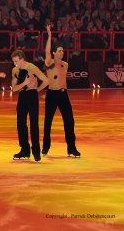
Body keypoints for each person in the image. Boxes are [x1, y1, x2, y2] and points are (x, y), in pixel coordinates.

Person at [42, 24, 81, 157]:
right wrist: (49, 35)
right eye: (59, 51)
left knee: (69, 121)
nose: (62, 52)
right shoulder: (50, 62)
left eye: (62, 50)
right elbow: (46, 52)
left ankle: (71, 148)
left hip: (64, 95)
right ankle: (45, 147)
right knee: (48, 122)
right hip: (52, 94)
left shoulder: (66, 64)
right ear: (54, 53)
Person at [11, 49, 49, 162]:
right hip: (22, 96)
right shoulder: (15, 70)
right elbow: (13, 89)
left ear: (22, 59)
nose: (15, 64)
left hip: (32, 96)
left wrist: (36, 90)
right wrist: (24, 83)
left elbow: (46, 80)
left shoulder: (32, 67)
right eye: (13, 61)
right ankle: (25, 150)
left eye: (16, 61)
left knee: (33, 124)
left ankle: (36, 152)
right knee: (20, 123)